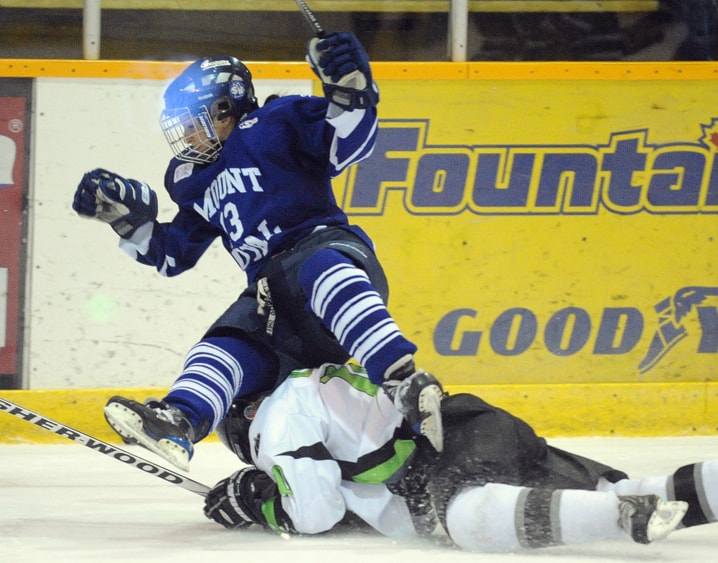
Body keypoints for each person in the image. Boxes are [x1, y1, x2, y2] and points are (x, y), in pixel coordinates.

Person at [71, 32, 443, 472]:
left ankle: (402, 382)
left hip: (326, 249)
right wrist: (127, 221)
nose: (187, 134)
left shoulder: (274, 122)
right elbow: (173, 255)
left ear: (227, 106)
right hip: (273, 296)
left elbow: (351, 144)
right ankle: (180, 421)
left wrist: (350, 93)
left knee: (318, 269)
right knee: (226, 341)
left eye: (194, 120)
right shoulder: (195, 177)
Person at [200, 362, 714, 552]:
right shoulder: (316, 381)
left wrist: (259, 504)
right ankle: (651, 499)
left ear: (244, 410)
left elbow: (316, 514)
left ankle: (621, 518)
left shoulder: (275, 414)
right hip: (474, 426)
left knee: (464, 517)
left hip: (452, 461)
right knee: (626, 486)